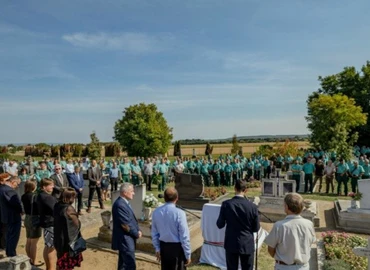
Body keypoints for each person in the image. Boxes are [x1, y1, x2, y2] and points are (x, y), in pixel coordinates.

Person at [216, 179, 260, 270]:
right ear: (246, 190)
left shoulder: (226, 204)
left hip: (231, 242)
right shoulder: (252, 206)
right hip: (247, 242)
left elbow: (220, 224)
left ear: (234, 188)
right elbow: (256, 228)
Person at [264, 193, 316, 270]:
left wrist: (282, 258)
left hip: (283, 267)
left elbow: (271, 249)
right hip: (303, 267)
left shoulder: (279, 226)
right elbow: (311, 242)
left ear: (286, 207)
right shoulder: (309, 224)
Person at [151, 187, 191, 270]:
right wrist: (188, 254)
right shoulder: (180, 213)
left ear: (164, 198)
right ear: (177, 198)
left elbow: (154, 233)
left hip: (164, 248)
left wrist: (157, 248)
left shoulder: (156, 212)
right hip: (177, 249)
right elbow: (184, 236)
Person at [112, 183, 142, 270]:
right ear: (125, 192)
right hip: (125, 239)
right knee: (130, 265)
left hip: (127, 239)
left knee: (123, 264)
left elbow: (131, 220)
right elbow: (125, 224)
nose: (134, 193)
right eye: (132, 191)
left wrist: (138, 229)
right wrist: (136, 233)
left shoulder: (124, 203)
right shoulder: (120, 205)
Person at [54, 188, 83, 270]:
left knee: (60, 261)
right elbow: (77, 224)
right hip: (68, 241)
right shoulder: (69, 209)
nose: (74, 199)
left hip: (59, 238)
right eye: (73, 197)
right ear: (69, 197)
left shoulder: (57, 205)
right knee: (67, 264)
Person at [21, 180, 43, 266]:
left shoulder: (24, 196)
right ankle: (33, 261)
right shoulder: (35, 196)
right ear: (33, 187)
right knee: (34, 243)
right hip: (35, 219)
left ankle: (29, 259)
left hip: (27, 218)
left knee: (29, 240)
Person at [0, 175, 23, 257]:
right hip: (13, 217)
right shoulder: (10, 191)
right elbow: (15, 203)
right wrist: (21, 210)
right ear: (13, 182)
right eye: (17, 184)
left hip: (5, 216)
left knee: (9, 235)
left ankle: (9, 252)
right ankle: (11, 254)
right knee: (13, 236)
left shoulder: (1, 188)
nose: (17, 186)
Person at [37, 178, 58, 270]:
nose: (53, 186)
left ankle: (48, 267)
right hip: (51, 224)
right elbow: (56, 210)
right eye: (50, 185)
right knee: (52, 248)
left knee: (48, 246)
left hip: (46, 223)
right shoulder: (48, 197)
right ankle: (51, 268)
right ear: (44, 187)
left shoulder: (41, 195)